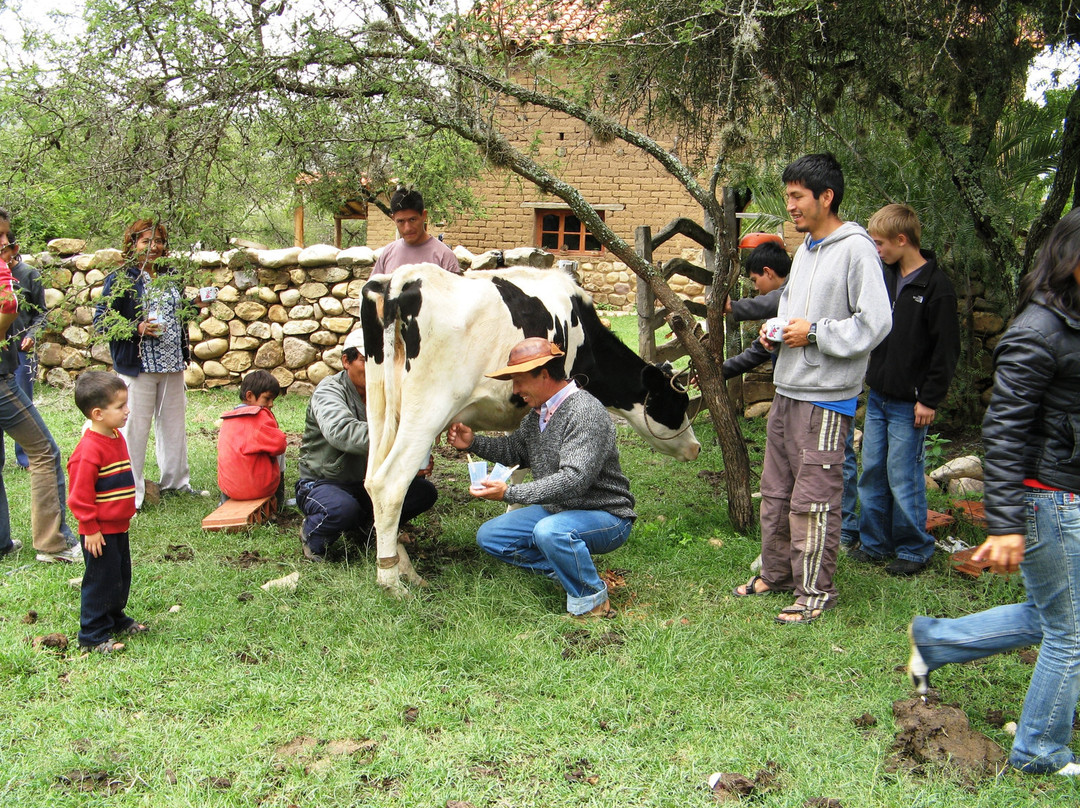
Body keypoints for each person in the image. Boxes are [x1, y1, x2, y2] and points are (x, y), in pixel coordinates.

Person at [907, 208, 1080, 776]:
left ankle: (935, 642)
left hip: (1064, 492)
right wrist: (1005, 524)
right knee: (1070, 631)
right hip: (1049, 499)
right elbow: (1003, 433)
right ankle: (1039, 751)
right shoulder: (1038, 331)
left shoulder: (1071, 322)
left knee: (1052, 614)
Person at [732, 153, 891, 624]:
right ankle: (778, 574)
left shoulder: (856, 249)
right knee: (777, 493)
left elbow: (876, 322)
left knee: (814, 500)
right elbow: (793, 309)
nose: (791, 206)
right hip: (788, 389)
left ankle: (815, 593)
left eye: (797, 196)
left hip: (825, 397)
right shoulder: (804, 251)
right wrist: (776, 332)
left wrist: (816, 333)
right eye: (788, 197)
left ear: (826, 197)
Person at [447, 337, 635, 619]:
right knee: (492, 536)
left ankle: (592, 600)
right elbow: (514, 451)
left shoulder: (585, 412)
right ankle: (568, 571)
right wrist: (472, 442)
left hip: (606, 514)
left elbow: (574, 479)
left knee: (550, 531)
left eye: (519, 381)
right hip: (559, 510)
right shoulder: (538, 415)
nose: (515, 390)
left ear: (544, 374)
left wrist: (509, 493)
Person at [849, 204, 960, 575]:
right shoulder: (883, 278)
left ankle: (914, 549)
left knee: (903, 475)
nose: (876, 250)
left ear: (902, 239)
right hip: (879, 395)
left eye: (880, 243)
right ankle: (875, 543)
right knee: (872, 471)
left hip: (910, 403)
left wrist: (929, 398)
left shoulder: (937, 287)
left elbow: (946, 350)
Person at [295, 329, 437, 561]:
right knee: (341, 509)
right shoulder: (329, 391)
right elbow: (341, 432)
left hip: (368, 481)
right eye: (365, 360)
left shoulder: (388, 392)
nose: (375, 367)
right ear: (346, 361)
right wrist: (403, 440)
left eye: (380, 360)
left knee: (422, 492)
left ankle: (369, 529)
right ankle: (312, 533)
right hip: (324, 481)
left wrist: (411, 463)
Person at [94, 218, 207, 509]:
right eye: (146, 241)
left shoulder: (170, 274)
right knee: (134, 429)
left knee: (173, 427)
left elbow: (178, 314)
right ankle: (132, 493)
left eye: (158, 241)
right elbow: (102, 320)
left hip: (172, 364)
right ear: (132, 244)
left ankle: (176, 483)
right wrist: (138, 327)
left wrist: (196, 305)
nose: (154, 247)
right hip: (138, 366)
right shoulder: (122, 278)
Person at [0, 208, 79, 563]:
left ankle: (2, 542)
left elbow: (37, 314)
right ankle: (54, 544)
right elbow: (7, 307)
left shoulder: (27, 274)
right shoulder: (3, 272)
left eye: (7, 236)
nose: (5, 243)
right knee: (44, 452)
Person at [67, 371, 143, 654]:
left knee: (119, 576)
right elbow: (79, 496)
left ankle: (115, 618)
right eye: (120, 406)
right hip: (99, 532)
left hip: (119, 526)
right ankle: (92, 633)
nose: (127, 410)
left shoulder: (115, 435)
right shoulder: (87, 451)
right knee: (100, 581)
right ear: (98, 414)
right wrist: (90, 528)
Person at [0, 217, 47, 470]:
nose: (4, 251)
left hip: (22, 351)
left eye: (7, 246)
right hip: (3, 352)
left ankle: (26, 458)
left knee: (22, 405)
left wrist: (32, 334)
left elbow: (42, 313)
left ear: (15, 248)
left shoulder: (29, 274)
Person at [722, 241, 791, 380]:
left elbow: (773, 301)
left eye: (754, 280)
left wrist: (733, 306)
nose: (755, 287)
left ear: (767, 272)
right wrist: (718, 372)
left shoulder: (795, 291)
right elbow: (758, 351)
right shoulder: (780, 312)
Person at [217, 370, 287, 505]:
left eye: (273, 400)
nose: (271, 404)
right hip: (259, 489)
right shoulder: (259, 415)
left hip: (230, 490)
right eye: (267, 399)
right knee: (280, 440)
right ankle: (279, 499)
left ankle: (223, 500)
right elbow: (280, 445)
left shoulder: (227, 419)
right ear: (249, 396)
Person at [371, 188, 462, 276]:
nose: (407, 228)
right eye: (401, 221)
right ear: (393, 218)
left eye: (412, 220)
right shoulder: (388, 253)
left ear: (424, 215)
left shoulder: (444, 257)